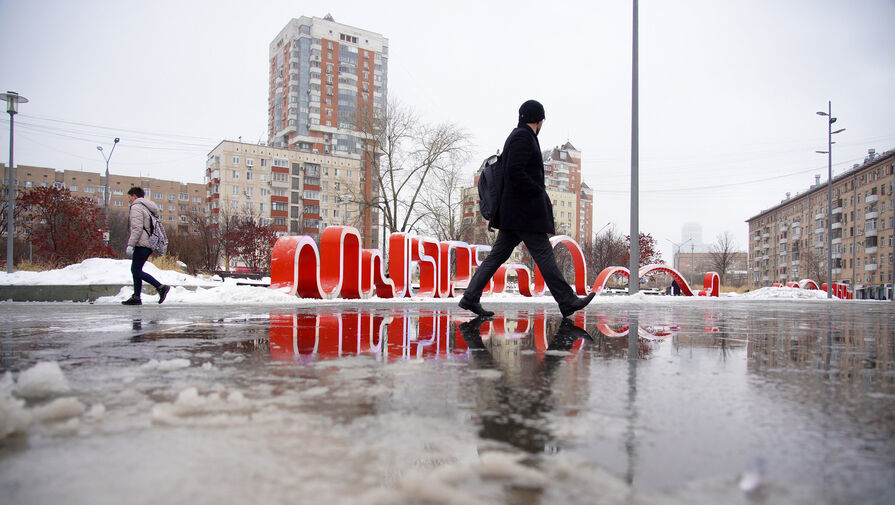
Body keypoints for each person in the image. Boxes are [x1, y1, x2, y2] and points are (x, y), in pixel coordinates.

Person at [458, 100, 595, 318]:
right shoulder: (523, 137)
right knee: (544, 255)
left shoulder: (517, 136)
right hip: (524, 213)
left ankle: (470, 297)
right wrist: (538, 192)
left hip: (514, 215)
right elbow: (515, 171)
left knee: (496, 257)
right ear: (539, 120)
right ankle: (567, 300)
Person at [122, 187, 170, 305]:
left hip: (142, 243)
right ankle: (136, 297)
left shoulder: (136, 207)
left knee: (135, 270)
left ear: (134, 196)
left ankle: (160, 287)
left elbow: (137, 228)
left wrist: (130, 244)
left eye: (129, 197)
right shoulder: (147, 208)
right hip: (148, 243)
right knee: (137, 269)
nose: (129, 200)